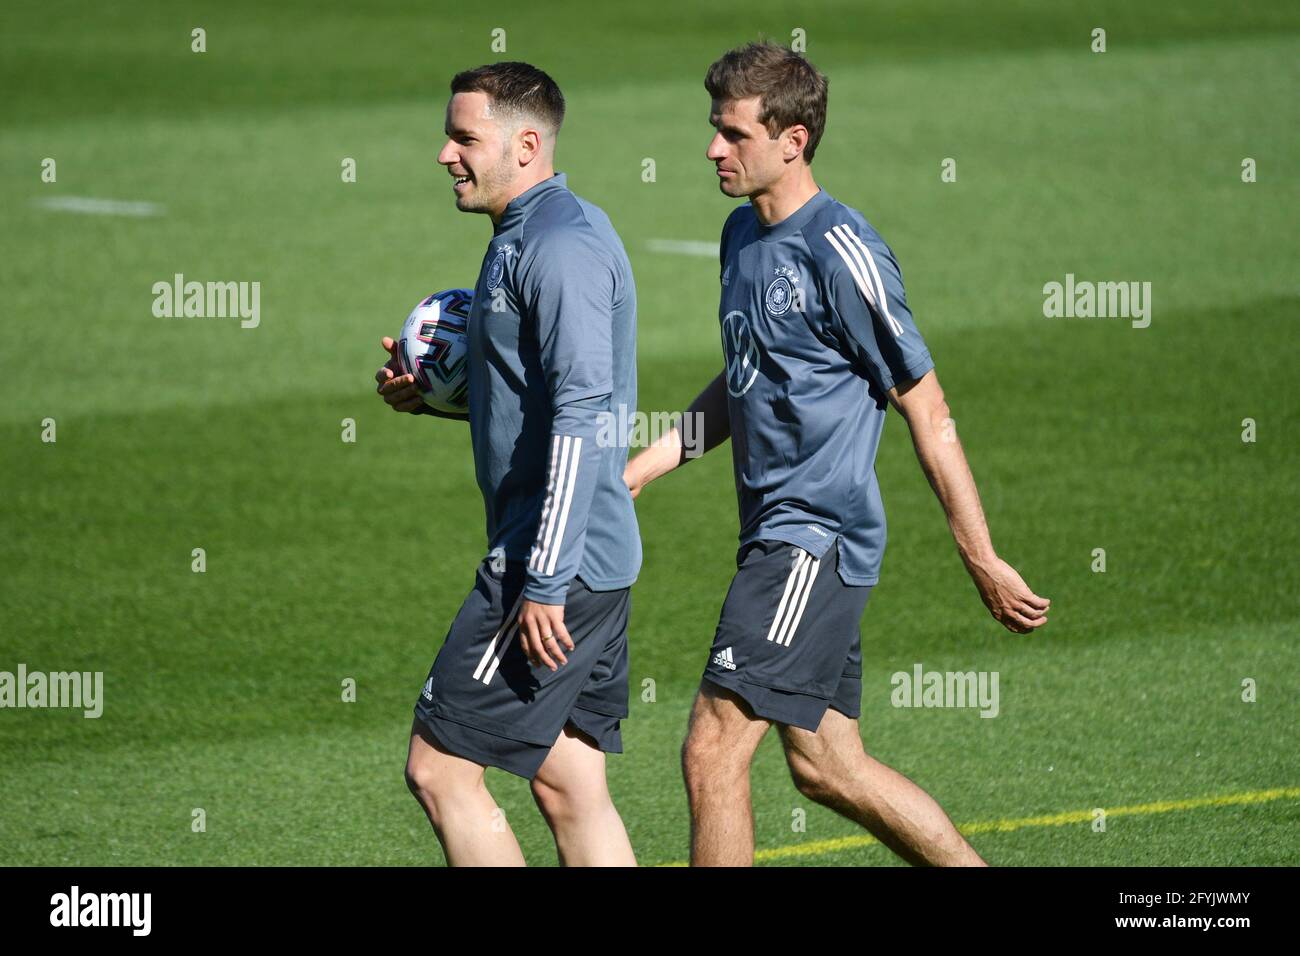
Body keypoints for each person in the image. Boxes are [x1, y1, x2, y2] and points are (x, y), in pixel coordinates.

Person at [624, 42, 1050, 866]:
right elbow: (746, 376)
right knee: (828, 767)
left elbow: (929, 408)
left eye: (734, 133)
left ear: (793, 141)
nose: (714, 148)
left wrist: (982, 557)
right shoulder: (739, 237)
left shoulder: (841, 251)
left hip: (812, 540)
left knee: (712, 750)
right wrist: (644, 467)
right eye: (714, 130)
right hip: (779, 539)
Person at [376, 61, 640, 866]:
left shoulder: (557, 248)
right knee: (568, 780)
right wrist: (437, 398)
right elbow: (533, 389)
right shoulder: (525, 233)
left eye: (464, 138)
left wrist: (544, 581)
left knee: (441, 771)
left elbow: (580, 416)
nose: (445, 154)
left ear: (526, 144)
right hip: (589, 556)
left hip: (550, 565)